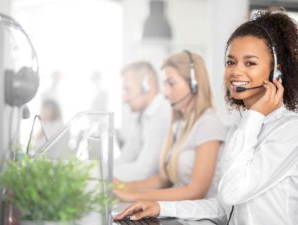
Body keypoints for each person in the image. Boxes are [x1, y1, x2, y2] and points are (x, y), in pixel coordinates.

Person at [115, 8, 298, 225]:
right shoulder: (240, 128)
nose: (236, 72)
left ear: (276, 73)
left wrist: (255, 115)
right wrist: (160, 207)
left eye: (250, 63)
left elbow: (232, 192)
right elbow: (223, 206)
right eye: (230, 62)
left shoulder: (290, 132)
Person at [114, 51, 226, 202]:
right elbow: (165, 179)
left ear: (194, 85)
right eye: (165, 84)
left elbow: (196, 191)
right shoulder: (182, 124)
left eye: (171, 83)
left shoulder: (208, 124)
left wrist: (136, 196)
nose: (166, 93)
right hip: (179, 212)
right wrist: (124, 187)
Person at [114, 61, 171, 181]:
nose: (124, 98)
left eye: (127, 90)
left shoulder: (162, 115)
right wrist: (91, 170)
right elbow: (126, 158)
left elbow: (143, 171)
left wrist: (99, 175)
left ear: (146, 87)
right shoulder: (140, 115)